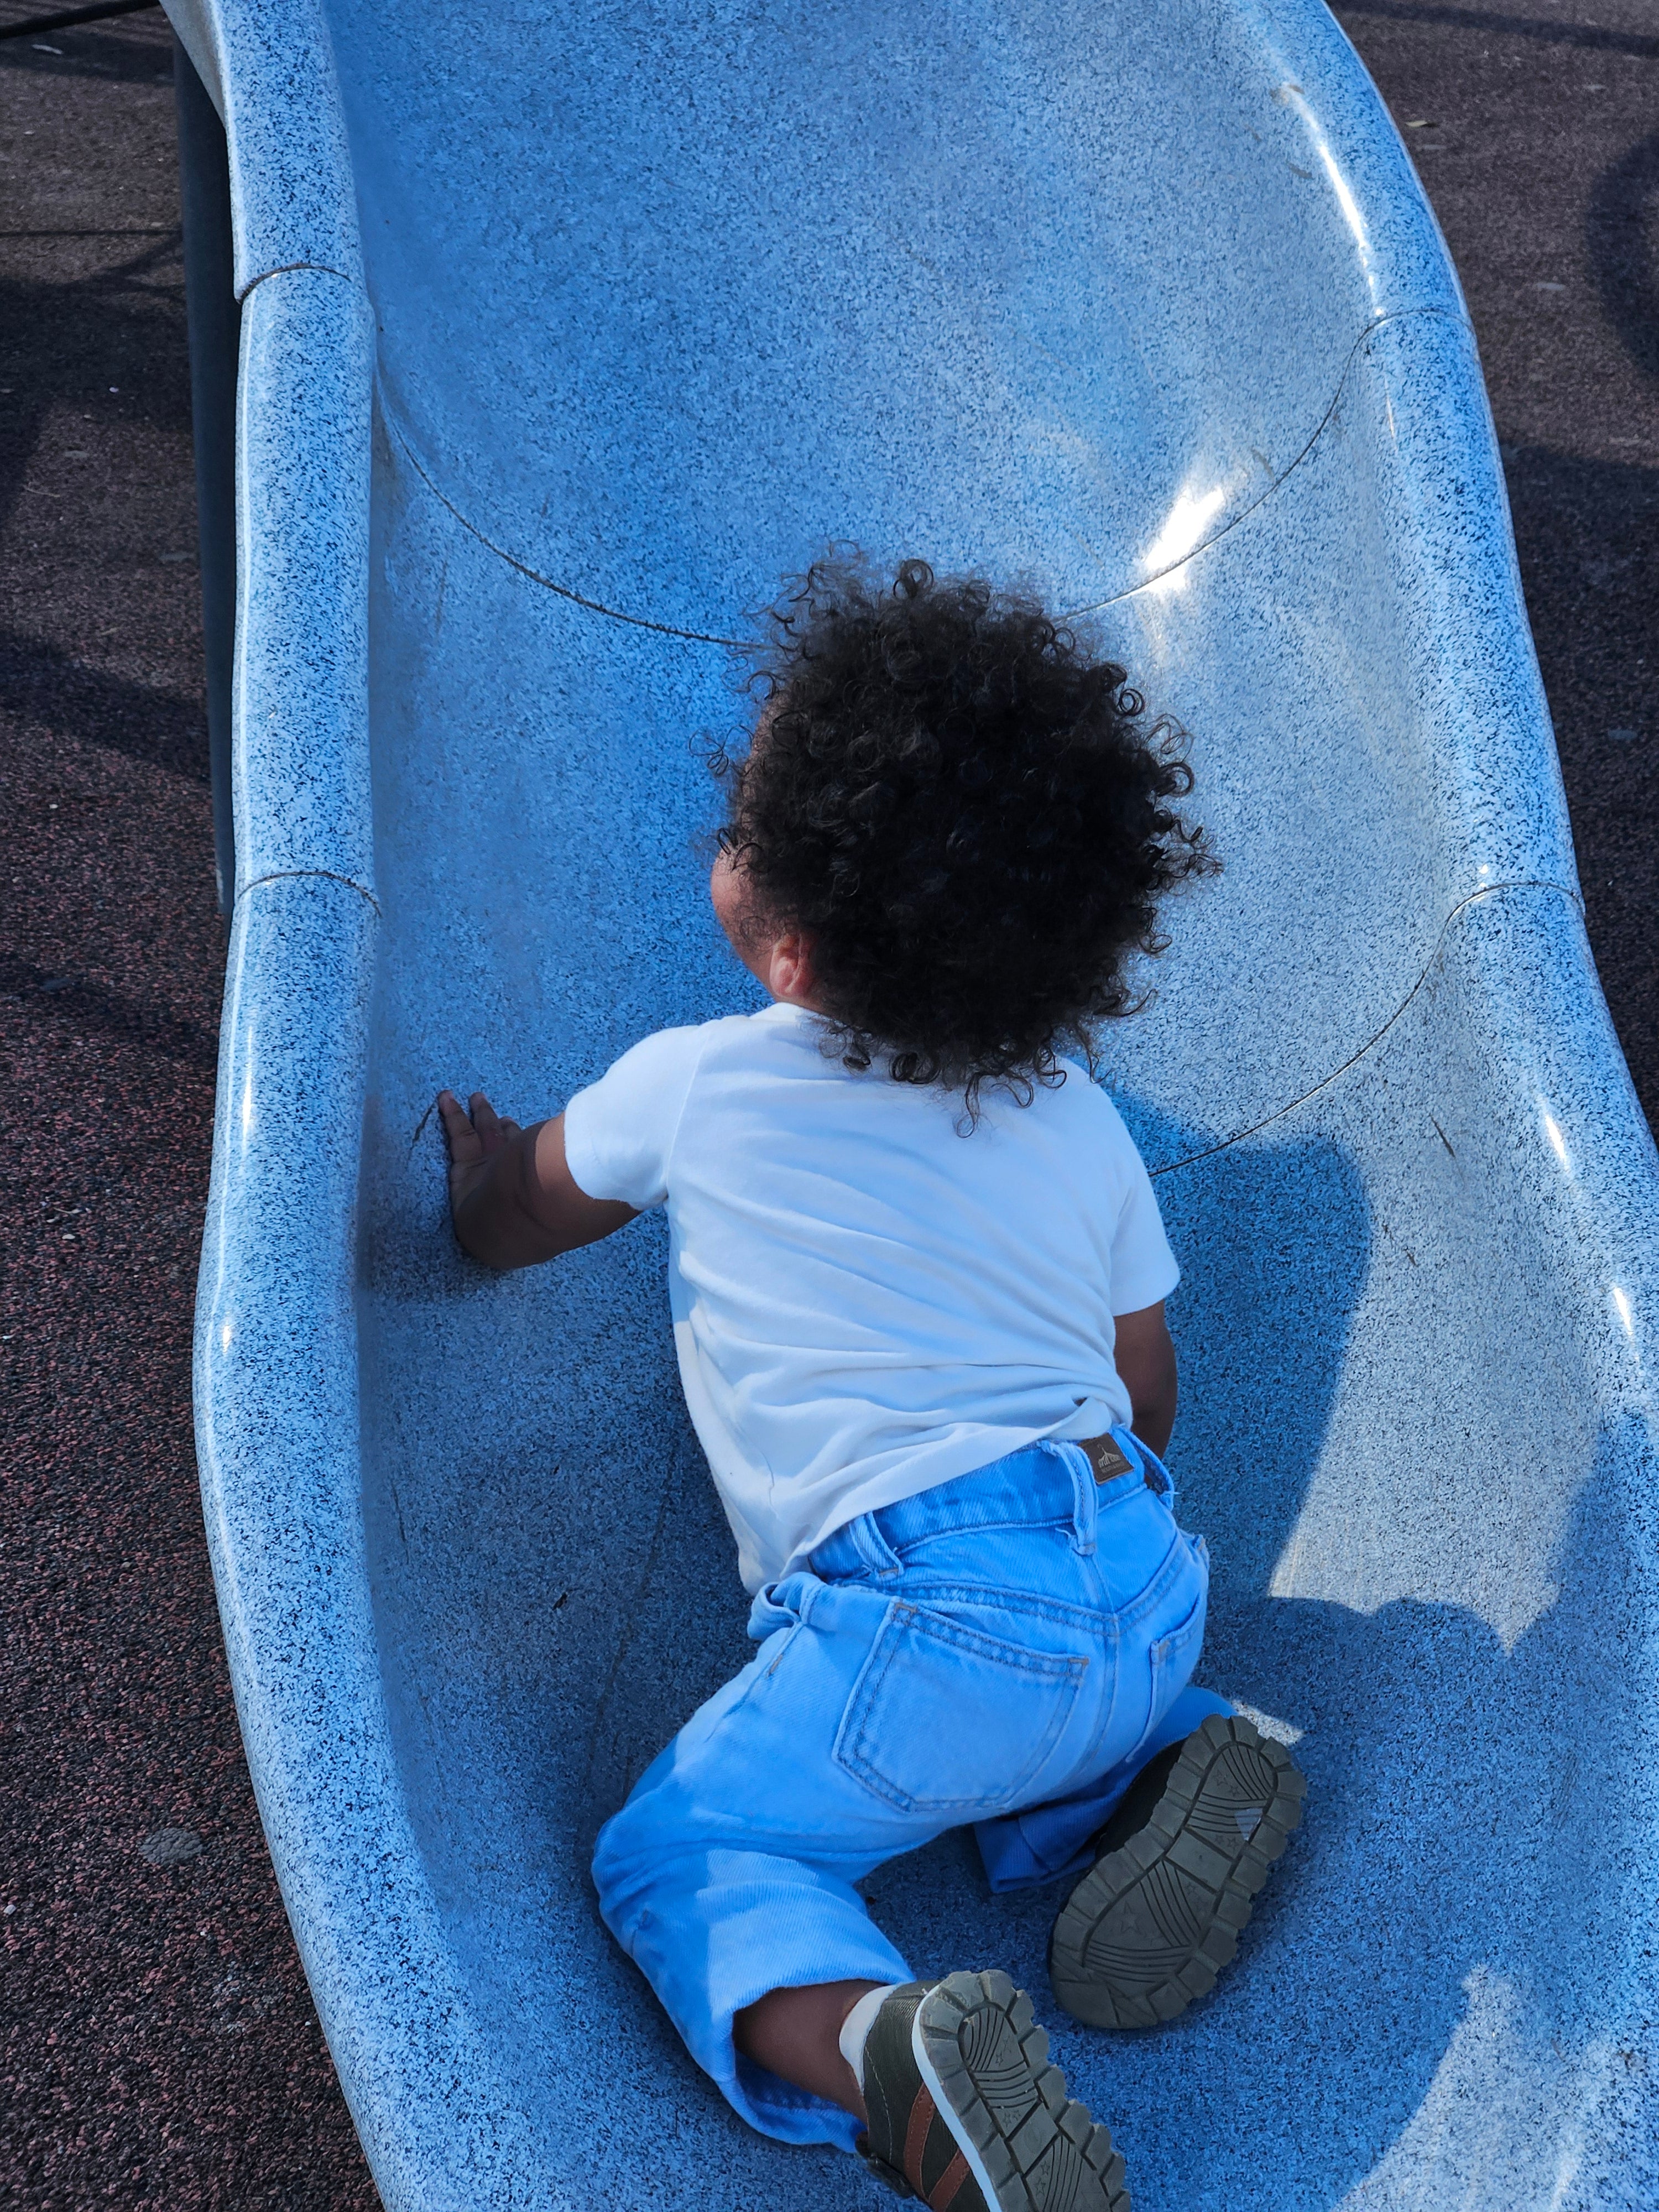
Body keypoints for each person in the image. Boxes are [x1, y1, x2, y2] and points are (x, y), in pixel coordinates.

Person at [437, 560, 1305, 2212]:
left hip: (920, 1624)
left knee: (683, 1853)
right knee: (1044, 1713)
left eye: (736, 823)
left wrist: (484, 1169)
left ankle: (888, 2055)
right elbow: (1146, 1393)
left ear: (786, 947)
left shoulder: (688, 1089)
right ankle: (1163, 1762)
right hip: (1134, 1571)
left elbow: (506, 1230)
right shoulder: (1076, 1115)